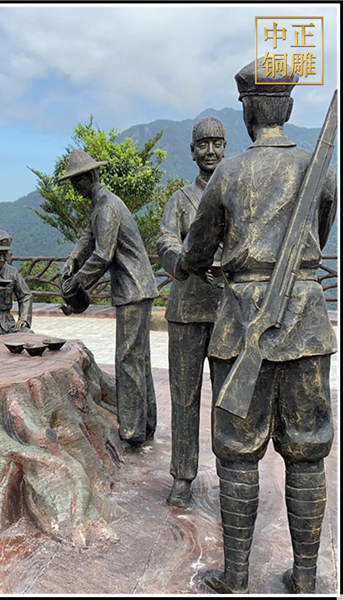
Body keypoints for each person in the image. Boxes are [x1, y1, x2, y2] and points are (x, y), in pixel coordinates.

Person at [177, 61, 337, 594]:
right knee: (308, 450)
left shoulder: (228, 173)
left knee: (237, 452)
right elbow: (320, 230)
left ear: (247, 111)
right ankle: (306, 575)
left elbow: (197, 251)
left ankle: (237, 574)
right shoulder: (318, 167)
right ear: (286, 107)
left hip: (241, 317)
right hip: (307, 318)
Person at [58, 150, 158, 451]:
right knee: (138, 358)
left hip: (133, 289)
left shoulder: (107, 208)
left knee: (128, 360)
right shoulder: (101, 205)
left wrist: (77, 282)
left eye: (77, 181)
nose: (75, 187)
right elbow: (87, 237)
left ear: (90, 177)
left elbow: (103, 254)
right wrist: (73, 258)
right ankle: (145, 424)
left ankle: (132, 431)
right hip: (137, 289)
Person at [157, 116, 227, 507]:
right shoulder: (180, 199)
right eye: (203, 144)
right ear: (192, 151)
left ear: (225, 147)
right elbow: (166, 240)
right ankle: (182, 476)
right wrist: (182, 261)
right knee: (184, 397)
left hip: (226, 311)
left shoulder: (234, 195)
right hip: (185, 310)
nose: (210, 151)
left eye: (217, 143)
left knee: (226, 400)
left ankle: (229, 473)